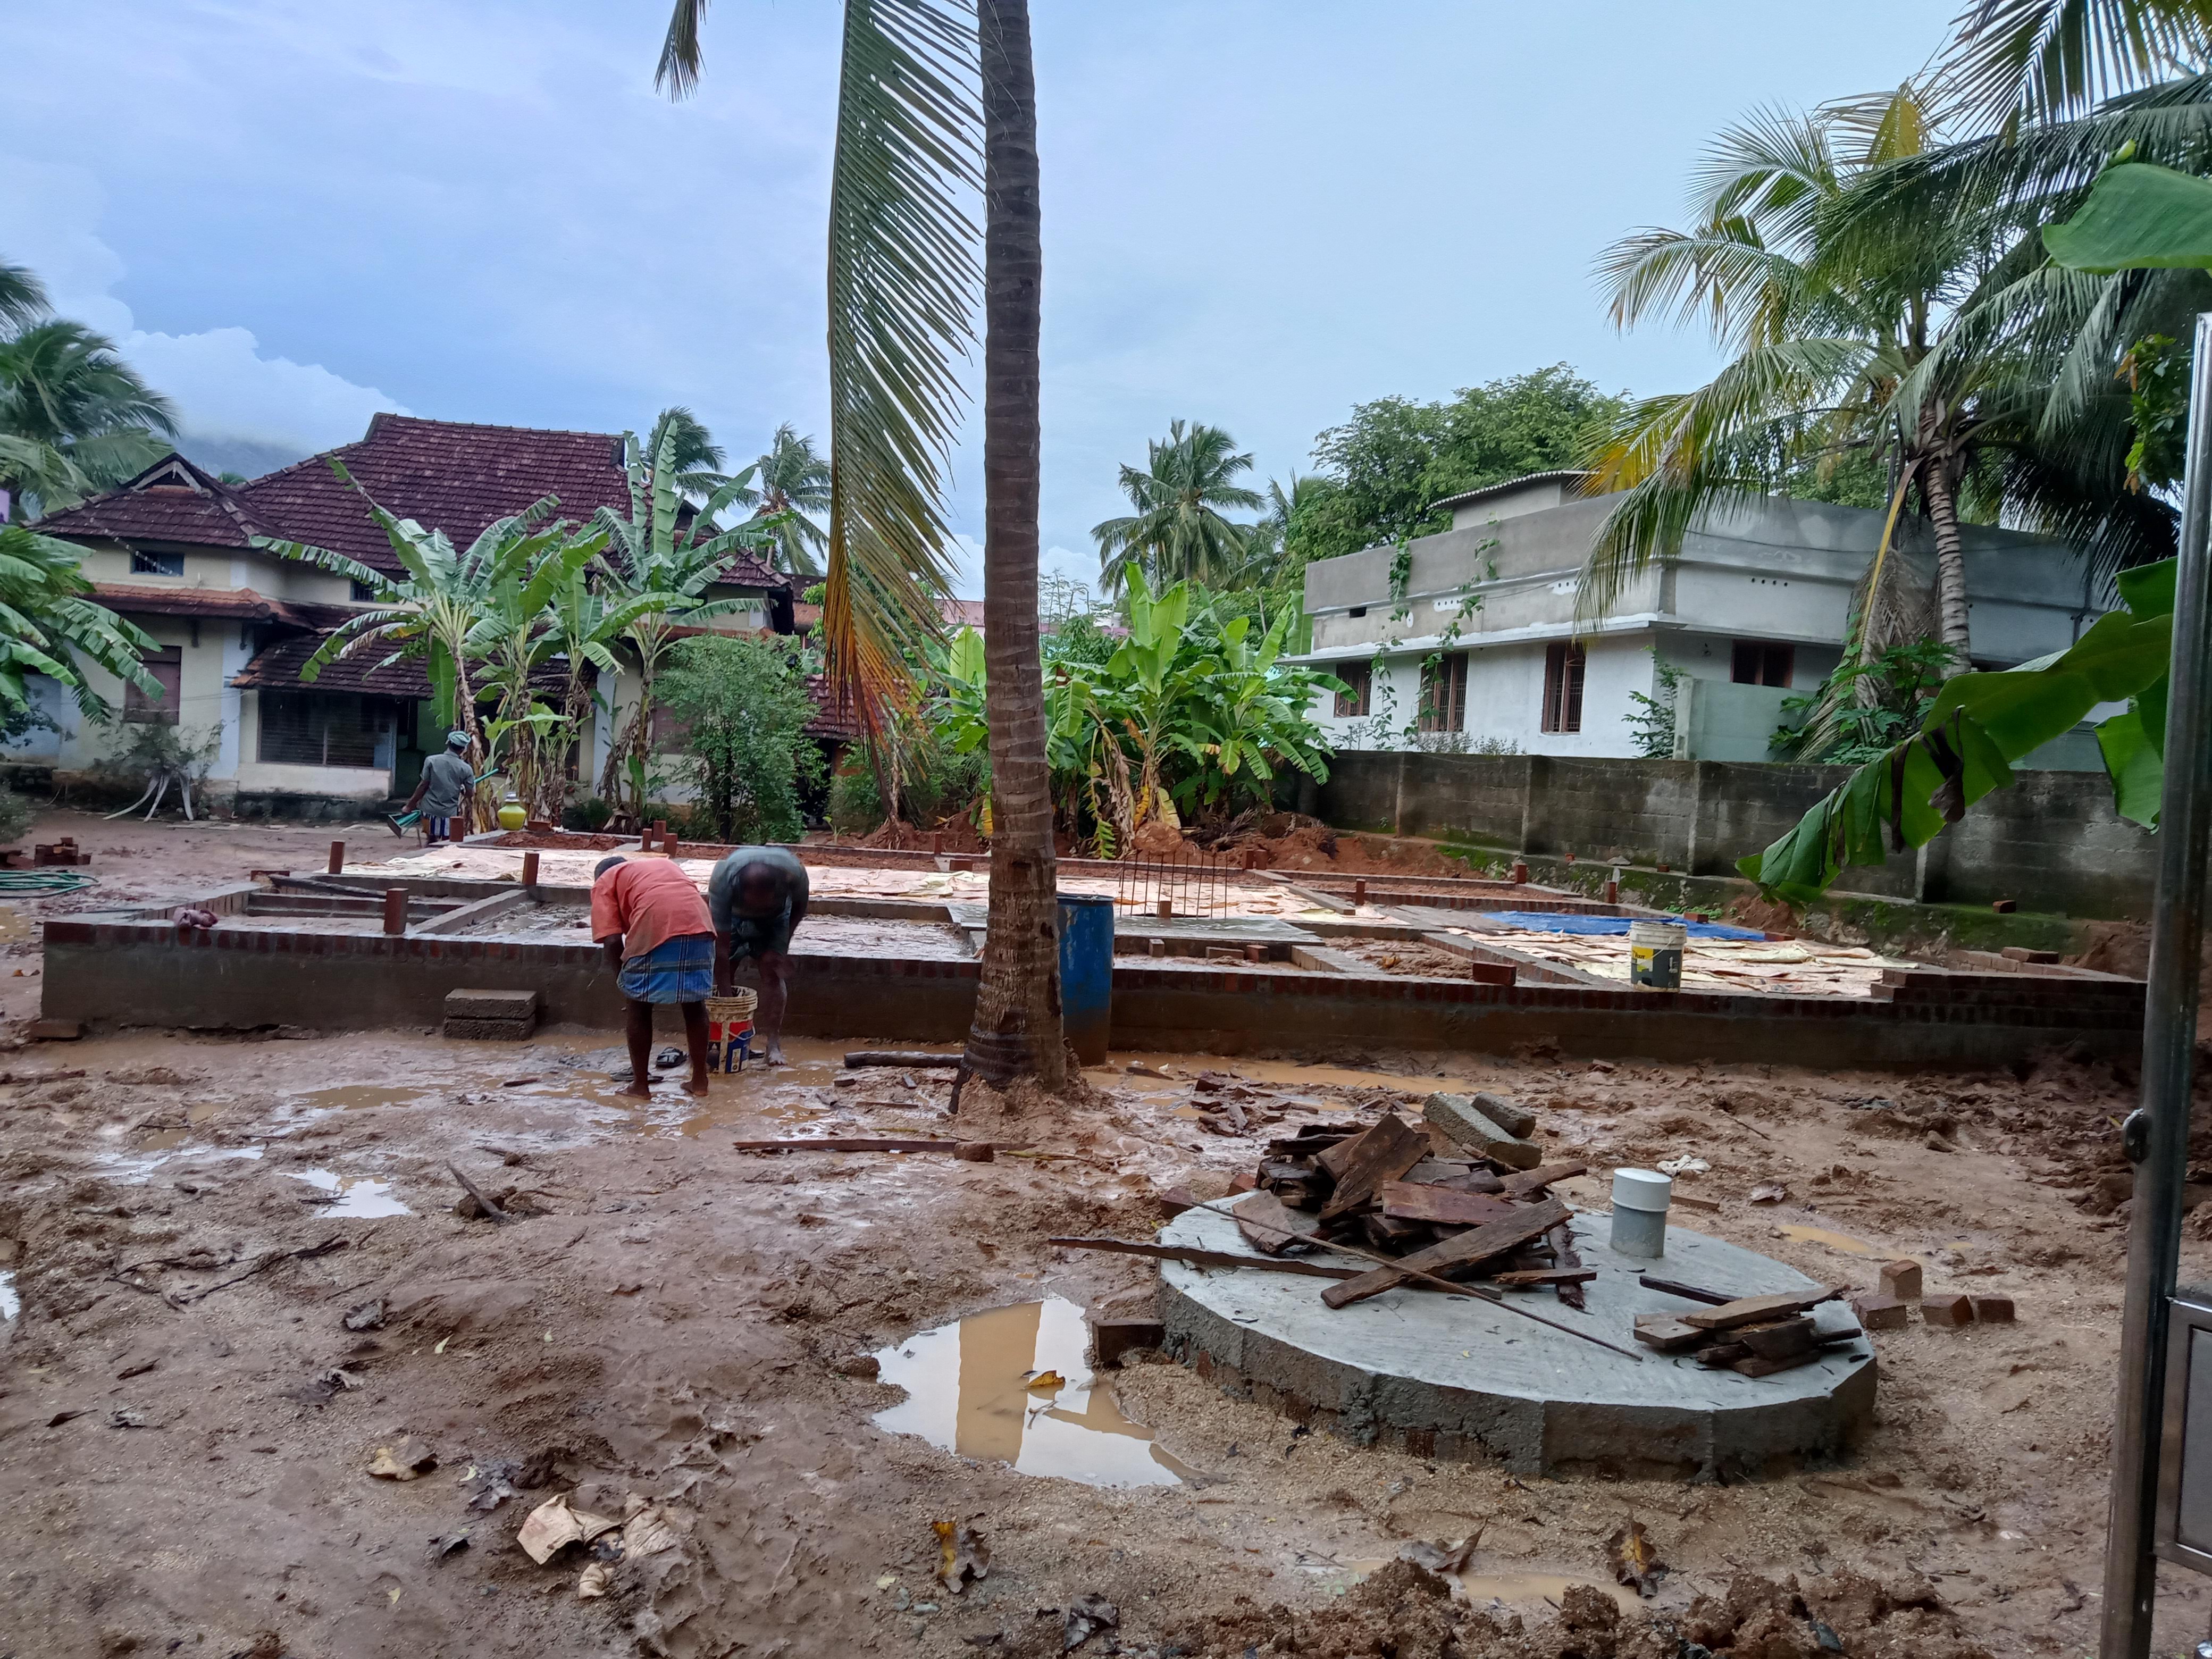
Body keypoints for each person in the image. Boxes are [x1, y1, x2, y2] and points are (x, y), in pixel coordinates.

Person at [591, 853, 717, 1097]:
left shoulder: (605, 880)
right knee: (694, 1004)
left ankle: (640, 1086)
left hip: (658, 922)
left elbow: (613, 939)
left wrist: (622, 979)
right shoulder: (661, 865)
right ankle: (700, 1082)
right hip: (700, 922)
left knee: (638, 1006)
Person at [707, 844, 809, 1066]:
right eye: (754, 903)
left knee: (772, 973)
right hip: (733, 918)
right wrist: (729, 1003)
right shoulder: (722, 882)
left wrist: (783, 947)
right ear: (741, 892)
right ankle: (723, 1037)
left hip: (777, 918)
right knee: (727, 967)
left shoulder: (794, 873)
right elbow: (721, 951)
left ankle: (773, 1045)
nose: (758, 911)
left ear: (778, 889)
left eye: (764, 903)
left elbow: (801, 907)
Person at [404, 730, 475, 843]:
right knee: (447, 842)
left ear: (448, 743)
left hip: (428, 811)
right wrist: (462, 791)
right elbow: (470, 793)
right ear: (463, 749)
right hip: (449, 813)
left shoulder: (431, 760)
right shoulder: (466, 769)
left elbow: (423, 785)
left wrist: (409, 806)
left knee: (431, 840)